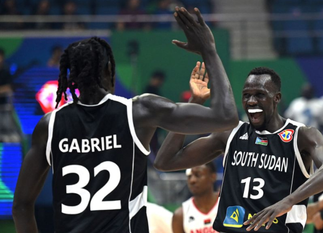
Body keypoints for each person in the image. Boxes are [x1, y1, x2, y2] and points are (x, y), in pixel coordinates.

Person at [12, 7, 239, 233]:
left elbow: (21, 206)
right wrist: (209, 50)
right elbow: (226, 116)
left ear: (72, 78)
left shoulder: (49, 125)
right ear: (109, 70)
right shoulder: (139, 111)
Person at [154, 66, 323, 232]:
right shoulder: (230, 134)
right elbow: (165, 161)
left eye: (260, 95)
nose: (251, 101)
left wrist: (288, 201)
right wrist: (194, 102)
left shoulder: (301, 135)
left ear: (276, 98)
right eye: (246, 95)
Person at [172, 162, 219, 233]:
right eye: (189, 176)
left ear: (213, 176)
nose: (192, 180)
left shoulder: (226, 204)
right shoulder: (180, 215)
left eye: (198, 175)